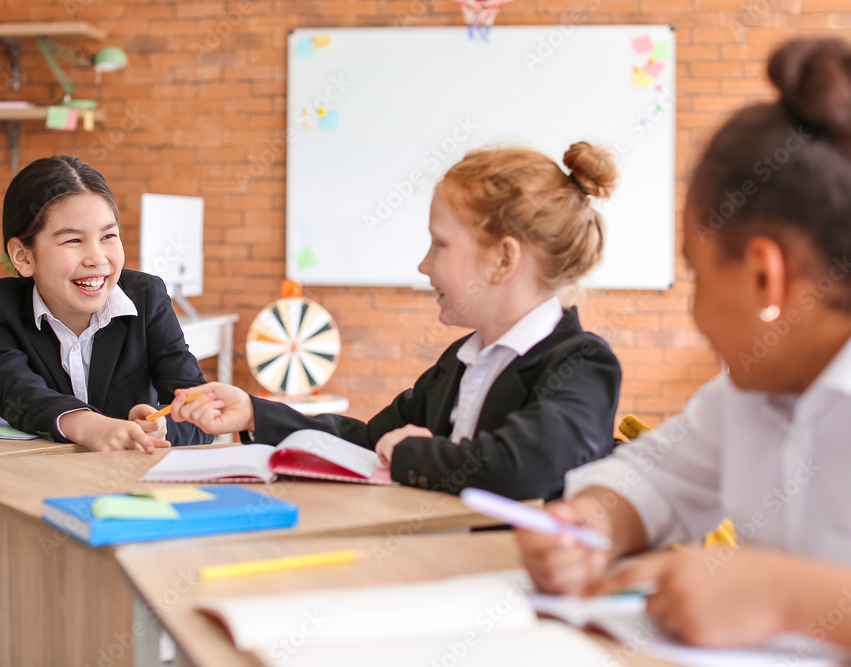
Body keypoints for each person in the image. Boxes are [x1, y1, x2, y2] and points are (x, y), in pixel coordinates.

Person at [517, 38, 851, 649]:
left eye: (696, 272)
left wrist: (784, 596)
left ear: (763, 276)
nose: (695, 311)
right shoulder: (750, 393)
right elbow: (656, 475)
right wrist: (588, 526)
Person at [170, 143, 622, 500]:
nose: (424, 266)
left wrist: (409, 453)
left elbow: (526, 465)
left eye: (439, 245)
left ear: (503, 259)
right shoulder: (462, 361)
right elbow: (369, 440)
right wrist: (255, 412)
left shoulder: (582, 363)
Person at [0, 155, 212, 452]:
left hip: (131, 484)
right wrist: (88, 425)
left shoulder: (147, 296)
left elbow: (197, 410)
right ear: (23, 256)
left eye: (108, 235)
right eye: (73, 240)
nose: (98, 258)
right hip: (40, 481)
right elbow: (15, 392)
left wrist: (160, 429)